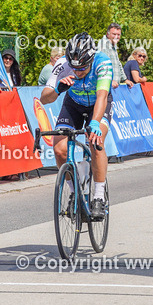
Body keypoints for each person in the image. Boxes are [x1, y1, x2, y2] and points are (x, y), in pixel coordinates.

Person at [40, 32, 113, 220]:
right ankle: (74, 192)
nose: (78, 72)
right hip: (73, 104)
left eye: (82, 67)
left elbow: (102, 96)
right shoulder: (62, 64)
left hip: (98, 104)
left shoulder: (103, 63)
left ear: (91, 59)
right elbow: (44, 98)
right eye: (74, 68)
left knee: (96, 142)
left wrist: (95, 122)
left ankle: (98, 196)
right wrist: (58, 89)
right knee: (59, 150)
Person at [99, 23, 123, 89]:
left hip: (113, 86)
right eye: (114, 34)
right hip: (106, 85)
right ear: (107, 34)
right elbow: (102, 65)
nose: (116, 37)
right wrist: (109, 80)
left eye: (118, 35)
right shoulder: (103, 45)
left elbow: (118, 63)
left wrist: (125, 79)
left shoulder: (113, 45)